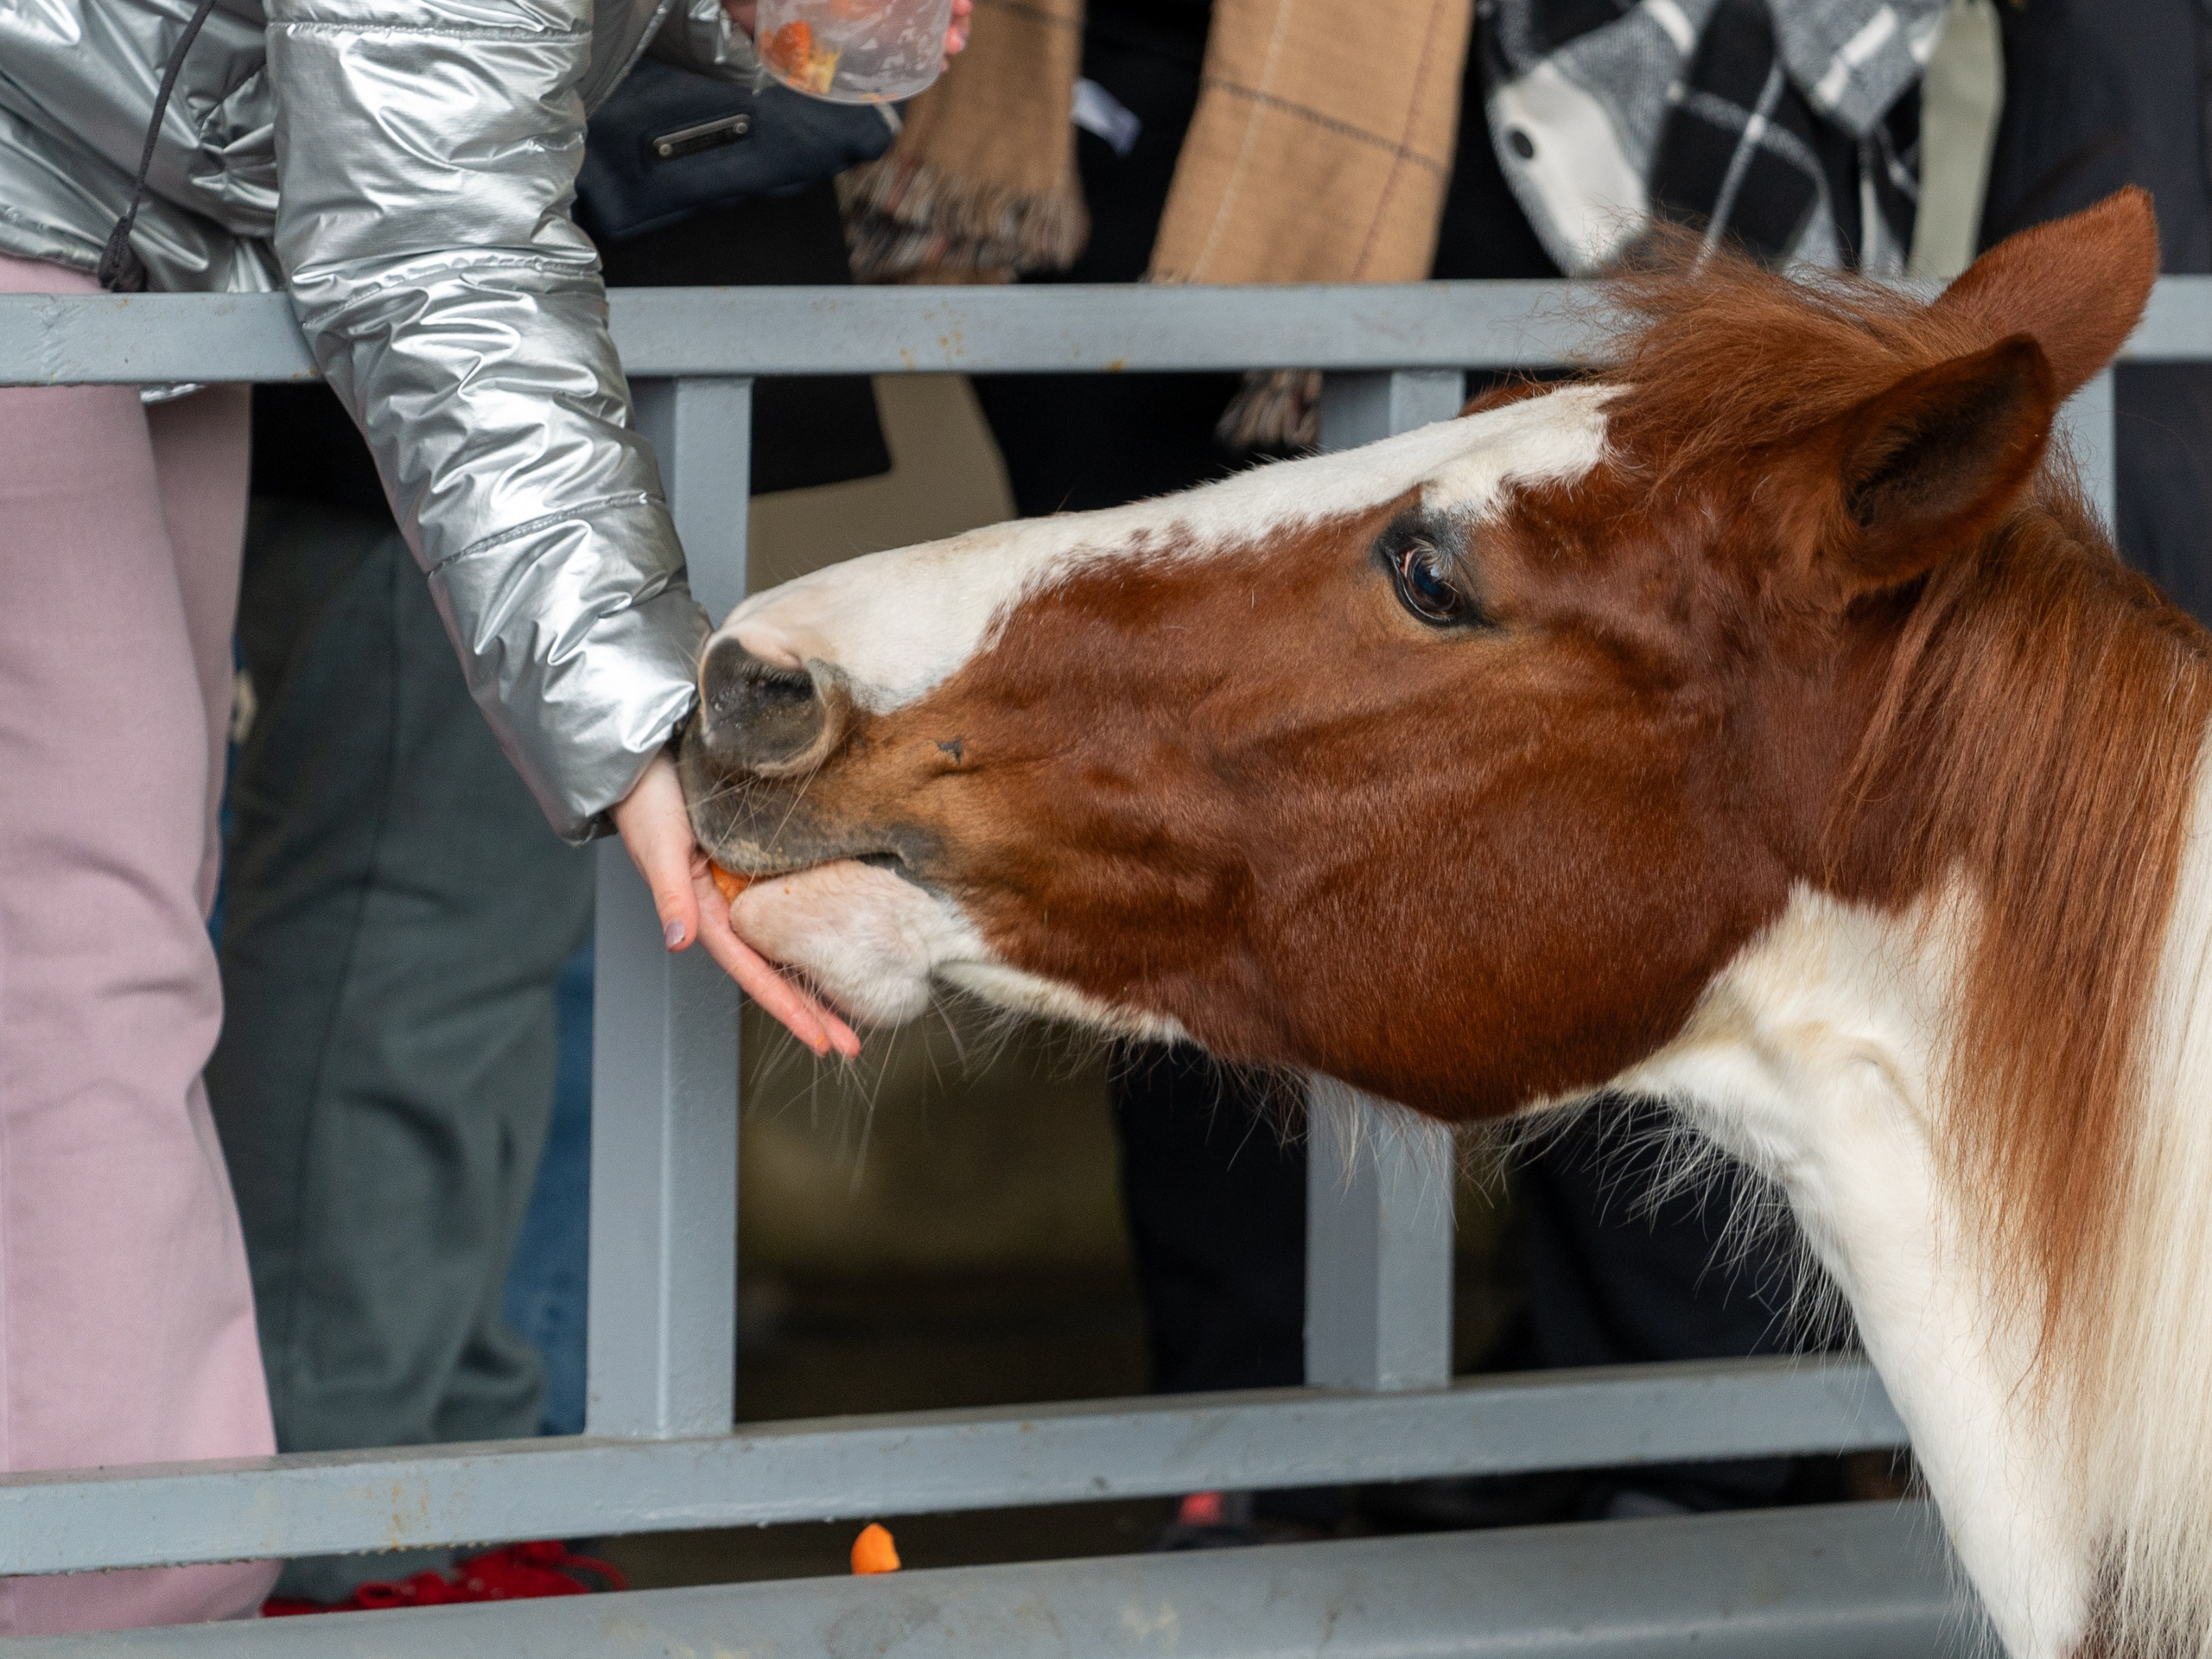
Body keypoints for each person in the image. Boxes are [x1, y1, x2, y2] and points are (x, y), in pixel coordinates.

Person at [0, 0, 963, 1628]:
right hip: (61, 219)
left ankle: (153, 1566)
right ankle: (124, 1599)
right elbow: (439, 255)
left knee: (121, 933)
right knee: (90, 961)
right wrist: (638, 723)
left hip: (121, 236)